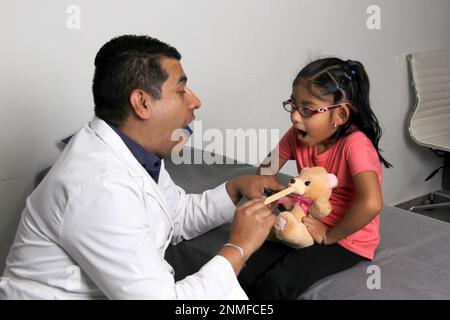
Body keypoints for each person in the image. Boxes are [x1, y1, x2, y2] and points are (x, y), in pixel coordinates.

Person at [0, 35, 284, 299]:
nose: (195, 102)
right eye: (182, 91)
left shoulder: (136, 154)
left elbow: (175, 215)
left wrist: (234, 189)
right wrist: (239, 247)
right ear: (142, 103)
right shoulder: (99, 186)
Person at [238, 57, 392, 299]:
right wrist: (279, 195)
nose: (295, 117)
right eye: (293, 105)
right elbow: (268, 167)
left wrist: (329, 234)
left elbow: (371, 203)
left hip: (346, 238)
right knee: (244, 269)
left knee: (278, 283)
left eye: (307, 109)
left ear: (339, 115)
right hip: (304, 223)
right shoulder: (299, 135)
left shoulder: (356, 145)